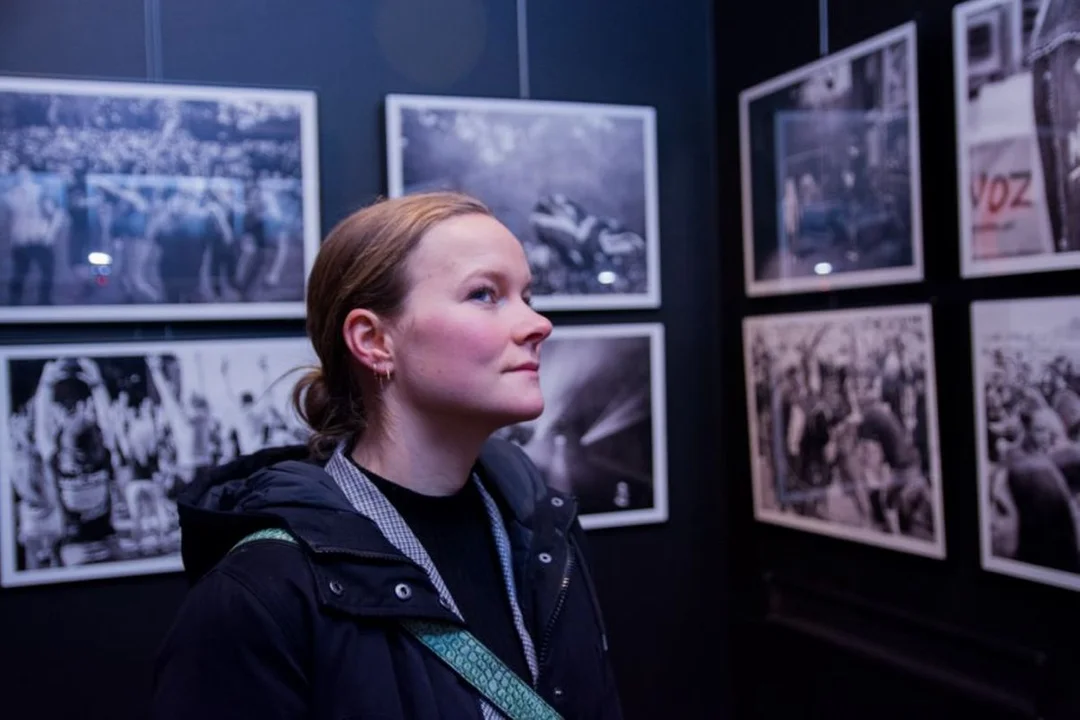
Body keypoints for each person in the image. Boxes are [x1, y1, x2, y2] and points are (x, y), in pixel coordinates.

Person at [150, 191, 623, 720]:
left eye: (528, 295)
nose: (538, 323)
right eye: (485, 295)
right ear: (374, 341)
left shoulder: (543, 534)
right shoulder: (262, 590)